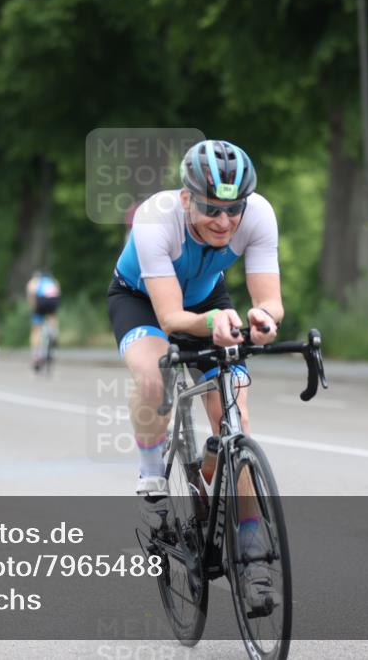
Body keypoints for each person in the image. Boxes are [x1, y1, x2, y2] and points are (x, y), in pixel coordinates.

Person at [106, 140, 283, 605]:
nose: (224, 221)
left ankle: (252, 545)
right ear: (187, 198)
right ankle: (151, 481)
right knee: (154, 375)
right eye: (211, 209)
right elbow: (169, 320)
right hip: (143, 302)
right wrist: (212, 325)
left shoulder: (259, 215)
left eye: (233, 209)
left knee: (235, 418)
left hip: (208, 301)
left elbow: (270, 301)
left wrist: (263, 320)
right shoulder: (155, 219)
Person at [26, 269, 61, 372]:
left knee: (36, 329)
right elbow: (58, 292)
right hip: (53, 300)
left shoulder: (34, 281)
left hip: (40, 301)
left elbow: (31, 295)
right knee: (52, 316)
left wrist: (33, 308)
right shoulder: (52, 281)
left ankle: (36, 355)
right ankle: (54, 333)